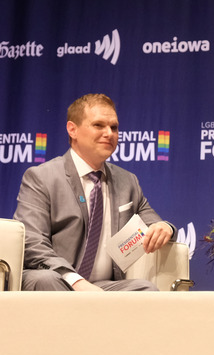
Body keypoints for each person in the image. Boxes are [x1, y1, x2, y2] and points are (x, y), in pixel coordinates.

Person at [13, 93, 175, 291]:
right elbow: (31, 242)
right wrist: (75, 281)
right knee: (46, 280)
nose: (109, 133)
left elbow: (152, 220)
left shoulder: (128, 181)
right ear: (72, 129)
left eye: (114, 127)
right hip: (57, 277)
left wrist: (165, 227)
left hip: (103, 286)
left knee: (146, 290)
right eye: (98, 125)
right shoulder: (42, 177)